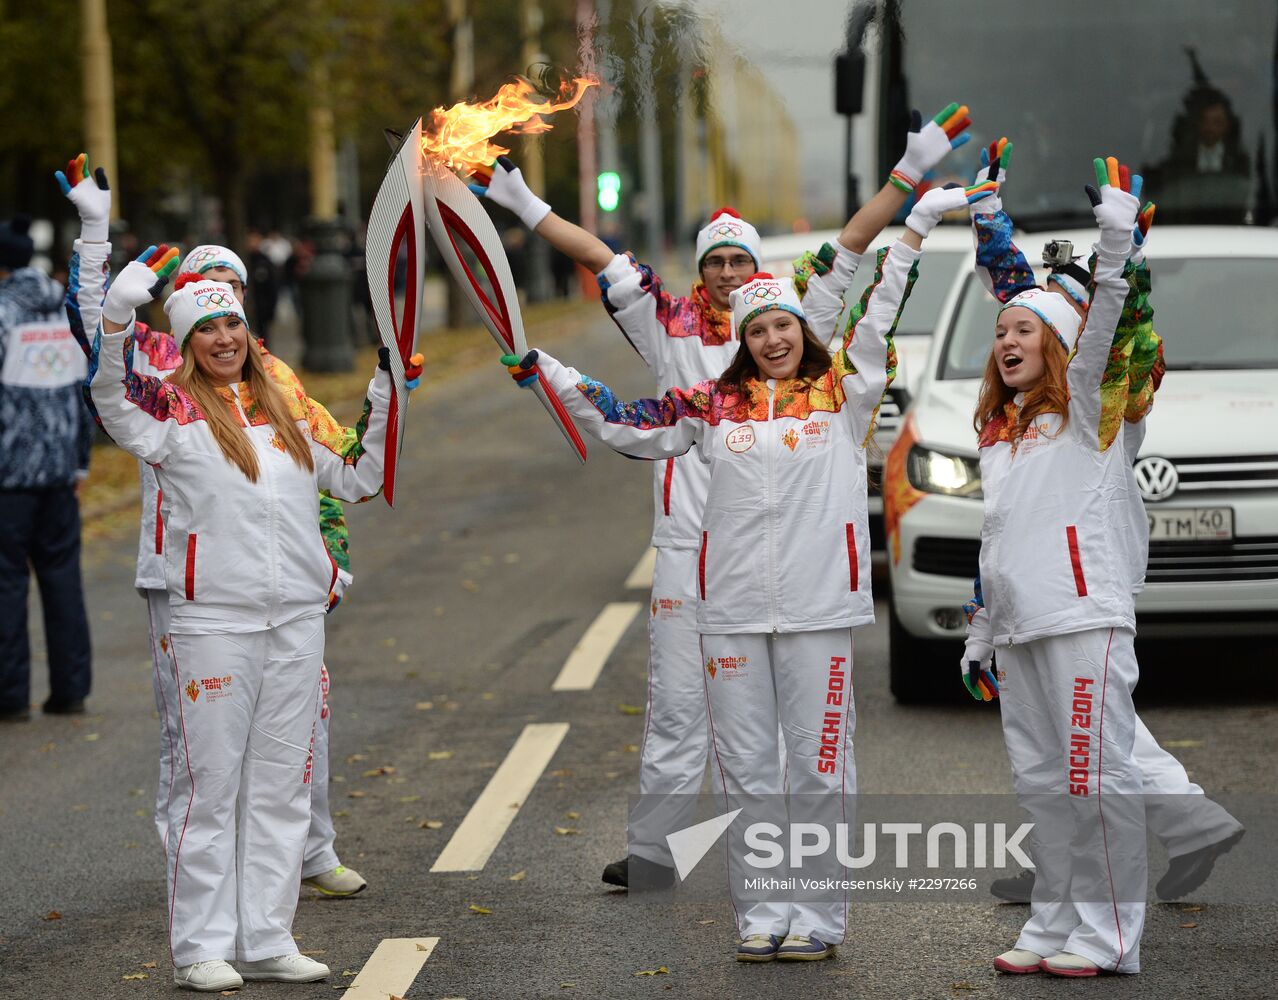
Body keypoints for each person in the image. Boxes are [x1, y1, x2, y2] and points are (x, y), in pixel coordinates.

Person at [474, 103, 974, 890]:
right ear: (702, 272)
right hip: (691, 541)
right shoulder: (666, 324)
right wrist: (525, 207)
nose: (732, 276)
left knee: (789, 719)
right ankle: (658, 852)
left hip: (793, 546)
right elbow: (599, 255)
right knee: (680, 706)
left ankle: (780, 862)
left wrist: (908, 179)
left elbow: (854, 244)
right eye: (718, 264)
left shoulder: (792, 320)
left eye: (742, 262)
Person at [57, 156, 376, 902]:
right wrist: (95, 238)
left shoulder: (275, 378)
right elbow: (95, 331)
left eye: (232, 289)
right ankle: (196, 868)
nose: (222, 305)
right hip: (187, 580)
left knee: (302, 725)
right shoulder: (163, 365)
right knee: (195, 747)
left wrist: (329, 560)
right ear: (182, 303)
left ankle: (309, 850)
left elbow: (331, 473)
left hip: (284, 583)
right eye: (207, 289)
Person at [87, 247, 392, 992]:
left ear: (249, 330)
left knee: (282, 784)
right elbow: (108, 398)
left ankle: (266, 936)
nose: (223, 338)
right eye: (206, 329)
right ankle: (201, 947)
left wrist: (388, 394)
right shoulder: (172, 412)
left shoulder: (287, 406)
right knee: (210, 786)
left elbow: (358, 474)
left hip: (294, 617)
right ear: (188, 344)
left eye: (232, 324)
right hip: (212, 621)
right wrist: (117, 321)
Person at [965, 140, 1244, 905]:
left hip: (1089, 559)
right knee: (1072, 729)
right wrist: (988, 216)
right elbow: (1019, 298)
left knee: (1091, 729)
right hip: (1049, 559)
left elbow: (1116, 320)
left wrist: (1123, 251)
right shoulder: (1036, 364)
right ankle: (1150, 837)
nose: (1017, 330)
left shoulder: (1114, 367)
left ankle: (1148, 843)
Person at [964, 156, 1149, 977]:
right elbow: (999, 542)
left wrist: (1116, 236)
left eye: (1024, 329)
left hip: (1083, 618)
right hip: (1019, 627)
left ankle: (1110, 936)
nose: (1007, 340)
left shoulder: (1087, 417)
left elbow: (1107, 316)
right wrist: (980, 631)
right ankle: (1052, 923)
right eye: (1001, 331)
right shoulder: (1001, 437)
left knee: (1094, 780)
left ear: (1061, 344)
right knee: (1043, 787)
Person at [0, 212, 94, 722]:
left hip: (8, 477)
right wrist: (80, 464)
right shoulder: (65, 307)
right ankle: (71, 690)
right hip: (61, 471)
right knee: (62, 580)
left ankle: (9, 696)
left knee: (6, 583)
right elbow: (84, 393)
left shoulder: (1, 314)